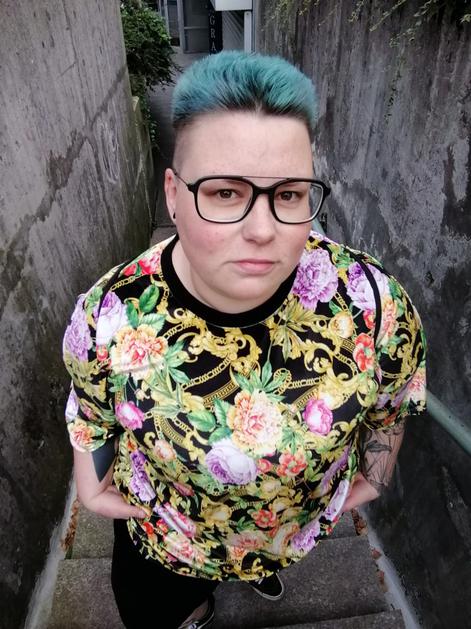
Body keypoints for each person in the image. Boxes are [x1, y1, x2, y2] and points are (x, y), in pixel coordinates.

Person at [62, 51, 426, 628]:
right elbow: (91, 409)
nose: (263, 230)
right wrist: (89, 484)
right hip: (166, 539)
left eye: (288, 195)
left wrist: (374, 478)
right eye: (226, 193)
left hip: (287, 532)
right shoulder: (109, 317)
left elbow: (393, 401)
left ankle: (256, 567)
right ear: (173, 194)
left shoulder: (372, 307)